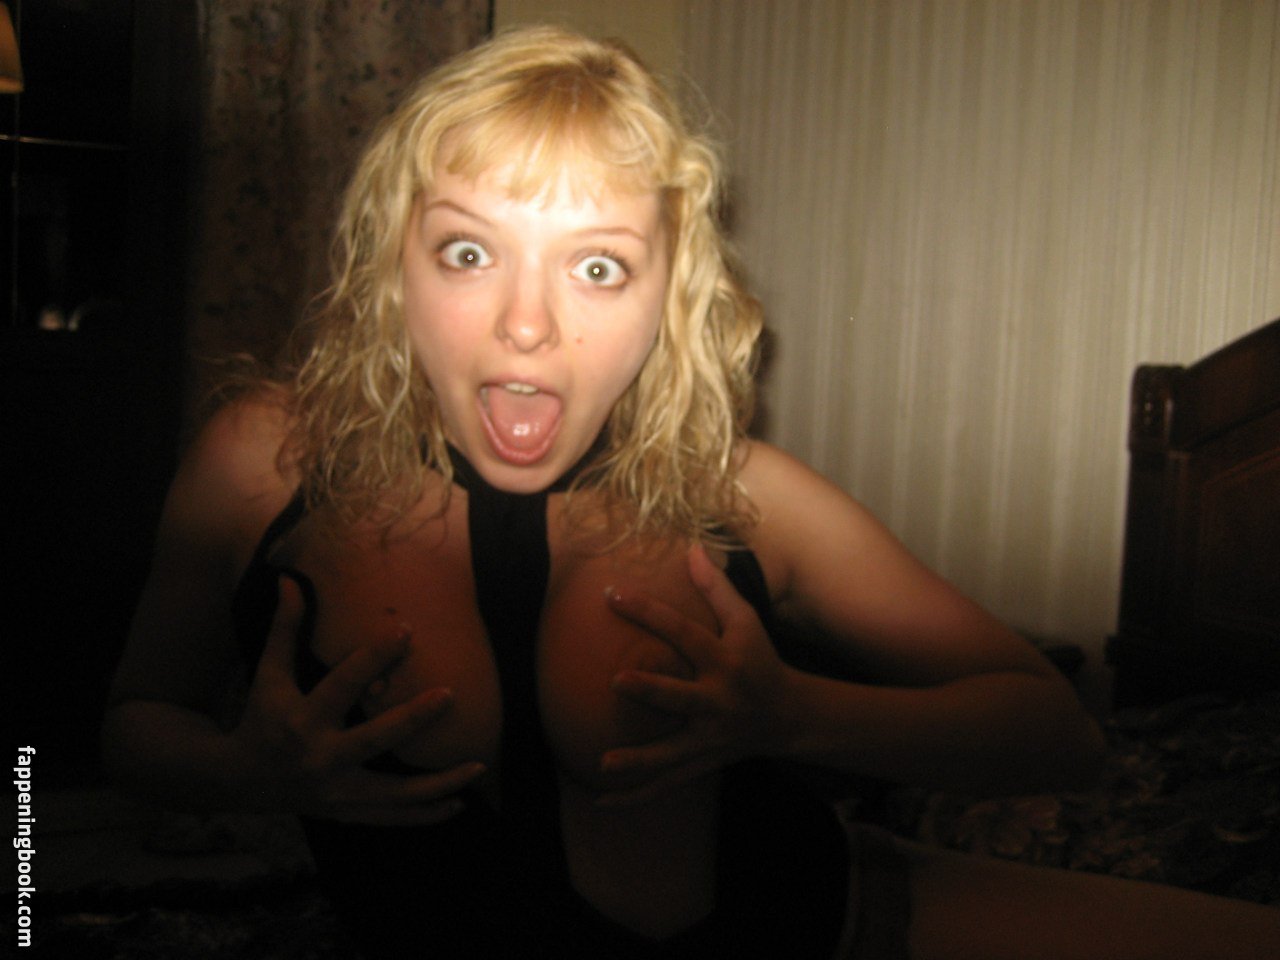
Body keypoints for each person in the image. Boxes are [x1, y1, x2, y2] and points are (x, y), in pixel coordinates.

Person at [102, 25, 1279, 960]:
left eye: (596, 266)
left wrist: (794, 717)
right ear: (391, 270)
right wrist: (240, 772)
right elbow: (132, 723)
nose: (526, 323)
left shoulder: (742, 501)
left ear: (668, 299)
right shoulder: (262, 465)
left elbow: (1056, 736)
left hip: (833, 921)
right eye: (468, 252)